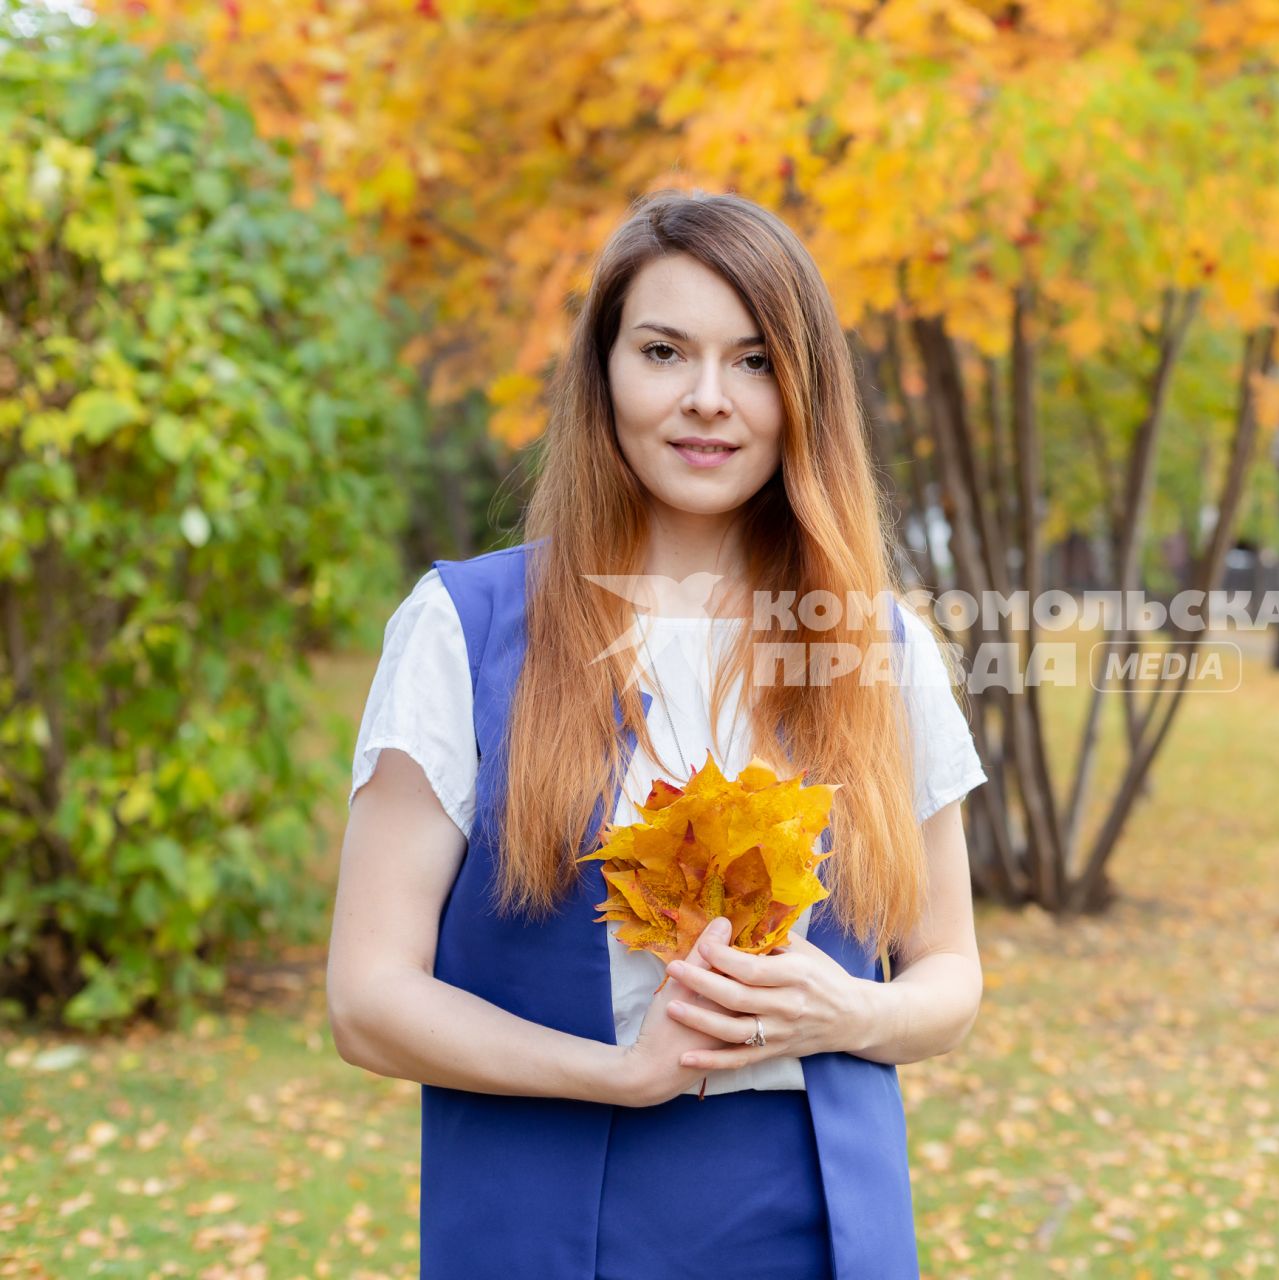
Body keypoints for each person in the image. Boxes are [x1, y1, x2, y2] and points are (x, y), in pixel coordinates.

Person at [328, 189, 990, 1279]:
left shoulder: (879, 643)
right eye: (664, 350)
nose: (706, 399)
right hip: (540, 1221)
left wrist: (849, 1007)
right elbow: (368, 996)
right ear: (605, 374)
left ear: (804, 390)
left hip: (823, 1223)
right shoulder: (466, 627)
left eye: (754, 361)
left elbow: (950, 974)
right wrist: (617, 1074)